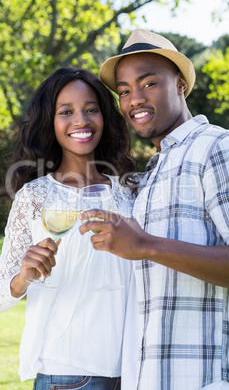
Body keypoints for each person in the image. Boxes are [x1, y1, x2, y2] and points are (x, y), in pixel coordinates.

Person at [79, 29, 229, 390]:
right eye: (123, 91)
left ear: (180, 84)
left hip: (203, 381)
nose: (135, 99)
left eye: (149, 83)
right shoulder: (150, 173)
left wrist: (147, 246)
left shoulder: (220, 147)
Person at [0, 67, 136, 389]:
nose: (81, 121)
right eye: (66, 112)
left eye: (91, 109)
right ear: (50, 122)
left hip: (135, 371)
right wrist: (22, 278)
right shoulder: (35, 197)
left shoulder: (130, 193)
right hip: (69, 374)